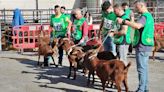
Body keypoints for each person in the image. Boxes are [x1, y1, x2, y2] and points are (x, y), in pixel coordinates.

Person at [117, 1, 154, 92]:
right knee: (144, 68)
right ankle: (144, 88)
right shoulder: (149, 16)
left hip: (142, 45)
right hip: (146, 44)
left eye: (136, 7)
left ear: (142, 6)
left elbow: (138, 26)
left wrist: (124, 21)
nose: (135, 9)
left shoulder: (144, 16)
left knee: (141, 69)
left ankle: (141, 89)